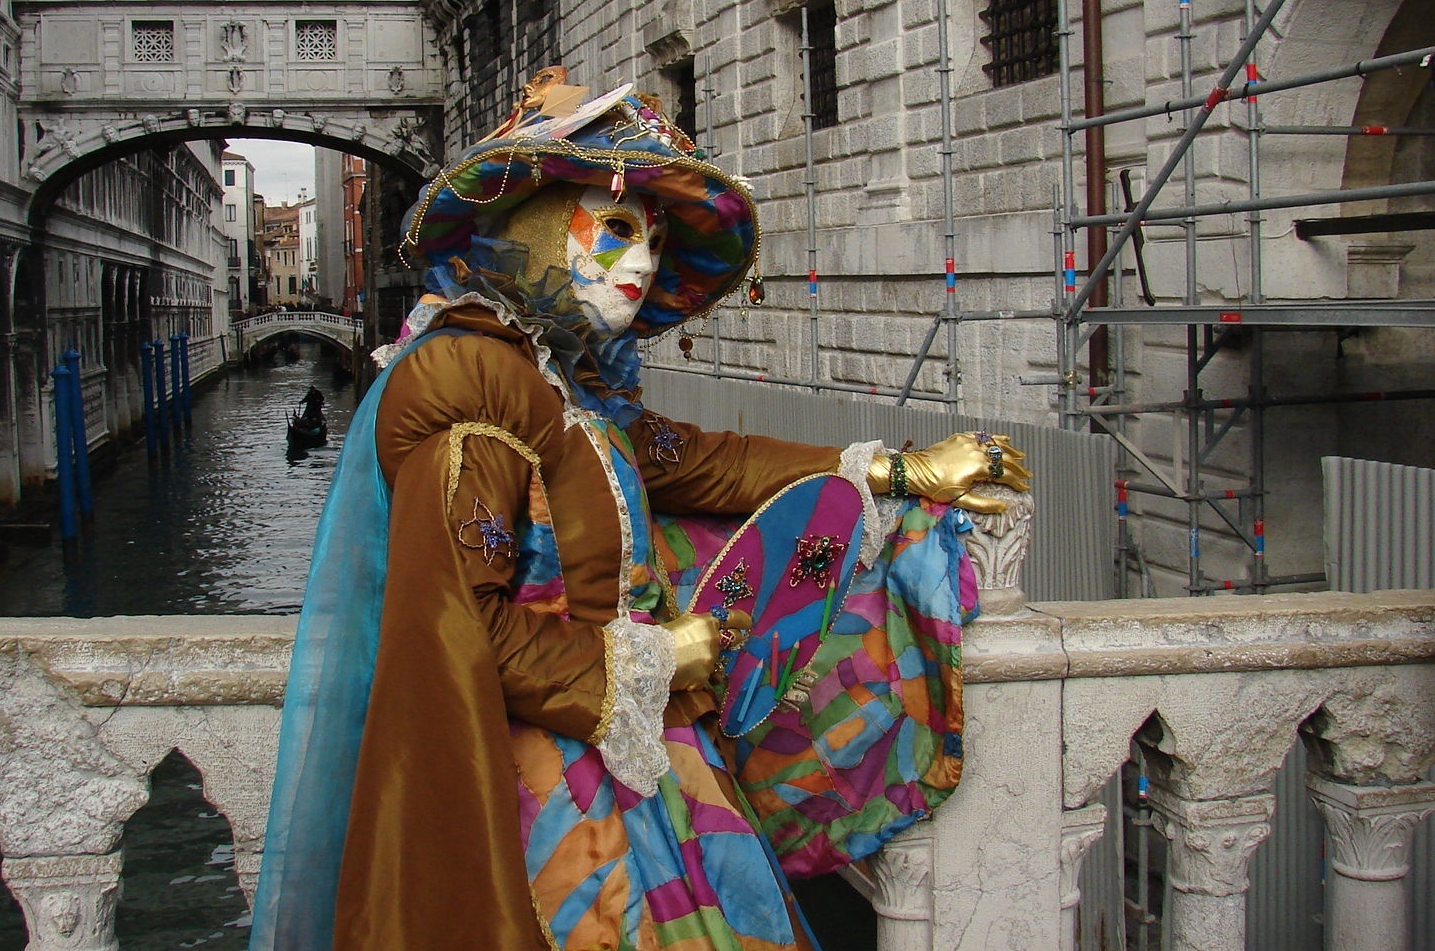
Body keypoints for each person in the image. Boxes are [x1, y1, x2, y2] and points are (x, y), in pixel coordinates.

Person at [250, 70, 1029, 950]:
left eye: (653, 240)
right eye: (618, 229)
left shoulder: (562, 384)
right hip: (552, 779)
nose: (645, 263)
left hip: (635, 742)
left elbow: (699, 462)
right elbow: (457, 624)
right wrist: (661, 657)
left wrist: (901, 471)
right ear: (537, 223)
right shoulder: (468, 379)